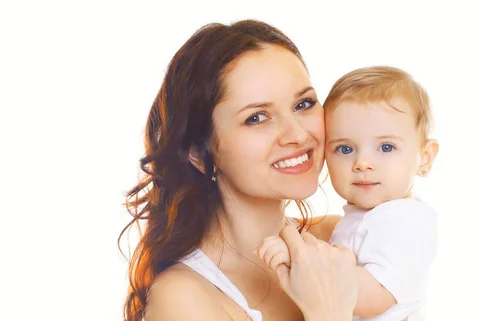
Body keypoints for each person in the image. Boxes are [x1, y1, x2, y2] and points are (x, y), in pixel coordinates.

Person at [118, 19, 358, 321]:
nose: (297, 134)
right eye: (257, 118)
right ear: (199, 153)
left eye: (303, 104)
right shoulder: (184, 298)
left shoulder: (343, 237)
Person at [257, 66, 439, 320]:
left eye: (386, 147)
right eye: (345, 149)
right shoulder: (363, 217)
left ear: (425, 158)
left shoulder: (405, 220)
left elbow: (376, 296)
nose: (363, 163)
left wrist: (302, 261)